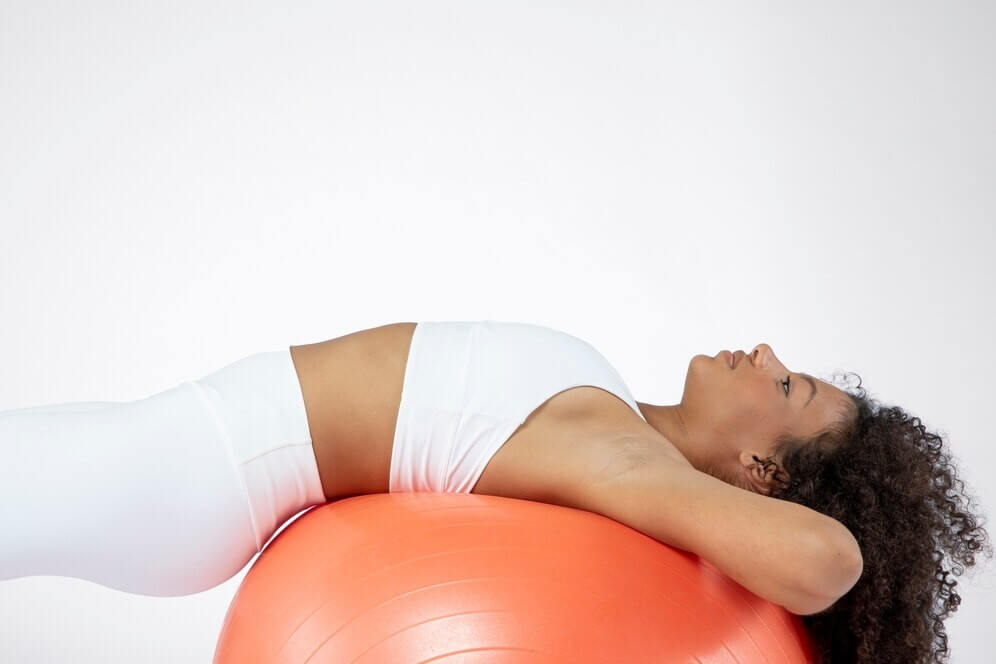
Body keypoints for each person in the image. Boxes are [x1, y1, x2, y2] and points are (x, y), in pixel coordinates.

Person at [1, 320, 990, 663]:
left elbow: (831, 559)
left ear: (764, 475)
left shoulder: (622, 459)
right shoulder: (617, 421)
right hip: (184, 462)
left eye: (786, 388)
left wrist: (787, 527)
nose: (766, 353)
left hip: (189, 475)